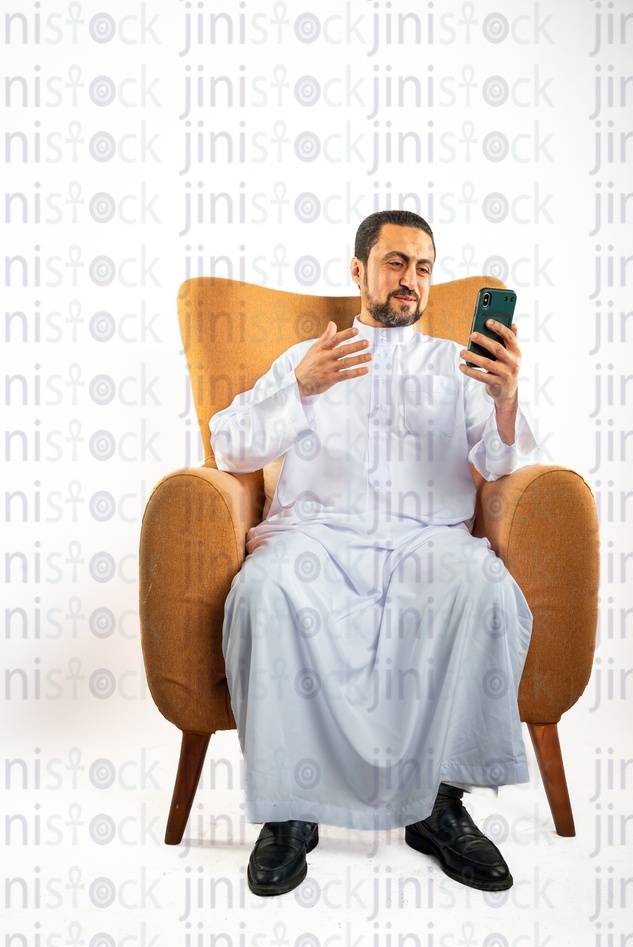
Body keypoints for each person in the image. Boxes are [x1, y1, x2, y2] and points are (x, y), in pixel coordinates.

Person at [209, 210, 540, 897]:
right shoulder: (307, 359)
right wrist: (301, 387)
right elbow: (230, 446)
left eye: (423, 267)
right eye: (395, 263)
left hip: (426, 545)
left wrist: (506, 398)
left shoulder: (457, 366)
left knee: (483, 585)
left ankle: (440, 802)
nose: (410, 279)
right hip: (316, 542)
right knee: (264, 591)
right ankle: (289, 809)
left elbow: (502, 462)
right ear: (358, 271)